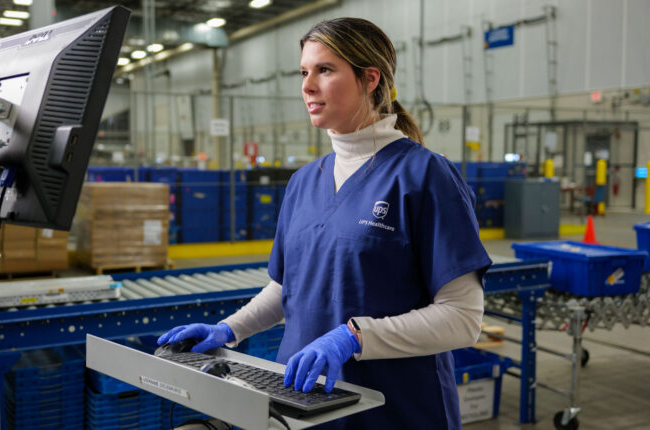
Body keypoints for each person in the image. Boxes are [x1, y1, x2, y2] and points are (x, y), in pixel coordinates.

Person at [158, 17, 491, 429]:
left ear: (370, 79)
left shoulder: (425, 176)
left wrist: (353, 337)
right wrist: (229, 329)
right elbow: (287, 288)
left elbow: (462, 319)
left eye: (325, 70)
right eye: (303, 72)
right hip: (301, 405)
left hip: (394, 409)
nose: (307, 86)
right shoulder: (303, 182)